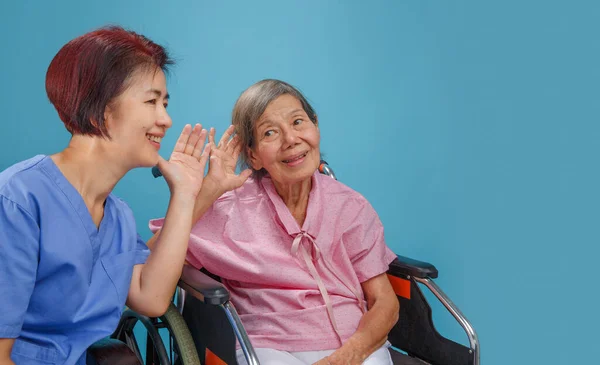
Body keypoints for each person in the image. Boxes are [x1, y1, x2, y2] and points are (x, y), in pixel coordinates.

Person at [0, 26, 239, 365]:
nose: (166, 119)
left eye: (165, 103)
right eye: (152, 101)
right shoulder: (18, 200)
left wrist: (186, 194)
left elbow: (151, 297)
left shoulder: (117, 216)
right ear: (102, 110)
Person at [149, 79, 400, 365]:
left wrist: (347, 356)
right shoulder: (231, 210)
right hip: (270, 347)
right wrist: (209, 192)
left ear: (315, 126)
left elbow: (385, 302)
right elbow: (149, 261)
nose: (291, 139)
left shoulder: (350, 206)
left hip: (354, 344)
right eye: (270, 132)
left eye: (298, 122)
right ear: (253, 155)